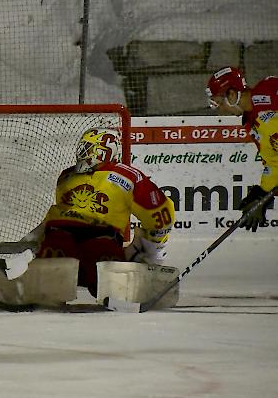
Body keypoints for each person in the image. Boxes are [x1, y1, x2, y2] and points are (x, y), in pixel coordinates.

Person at [32, 127, 175, 298]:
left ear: (104, 151)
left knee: (108, 280)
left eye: (88, 149)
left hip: (101, 237)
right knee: (54, 255)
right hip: (62, 233)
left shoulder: (127, 176)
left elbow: (159, 212)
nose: (82, 154)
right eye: (82, 148)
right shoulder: (66, 176)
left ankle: (118, 283)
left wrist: (153, 250)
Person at [206, 66, 278, 231]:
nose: (220, 109)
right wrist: (261, 195)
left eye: (219, 102)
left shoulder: (269, 89)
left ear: (232, 94)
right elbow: (274, 162)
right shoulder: (250, 124)